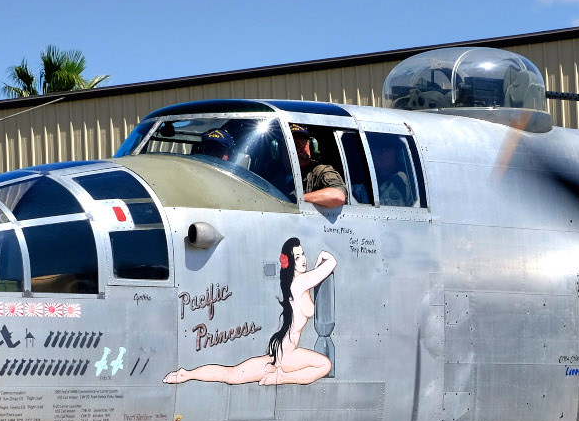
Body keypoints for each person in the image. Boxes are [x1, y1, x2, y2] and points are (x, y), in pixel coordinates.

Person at [164, 237, 337, 386]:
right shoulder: (301, 282)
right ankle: (283, 377)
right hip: (288, 354)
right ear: (290, 262)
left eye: (303, 254)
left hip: (277, 352)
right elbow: (332, 263)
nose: (303, 260)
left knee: (231, 375)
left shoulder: (295, 282)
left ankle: (186, 374)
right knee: (325, 365)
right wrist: (322, 255)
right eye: (297, 257)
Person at [290, 123, 346, 208]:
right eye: (291, 145)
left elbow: (337, 196)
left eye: (301, 144)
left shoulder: (320, 171)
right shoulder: (273, 176)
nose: (296, 150)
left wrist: (297, 200)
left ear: (312, 147)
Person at [374, 139, 415, 207]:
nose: (378, 153)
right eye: (376, 149)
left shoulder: (399, 180)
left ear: (397, 154)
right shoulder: (378, 180)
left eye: (385, 149)